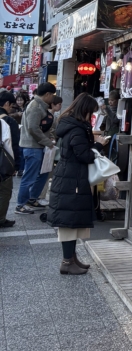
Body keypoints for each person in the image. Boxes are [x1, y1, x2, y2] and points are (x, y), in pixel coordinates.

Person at [48, 92, 109, 275]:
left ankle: (72, 259)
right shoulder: (77, 128)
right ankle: (67, 261)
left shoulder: (70, 124)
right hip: (72, 178)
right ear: (84, 110)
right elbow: (83, 155)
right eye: (91, 112)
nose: (92, 116)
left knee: (72, 220)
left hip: (69, 176)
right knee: (69, 221)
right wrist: (99, 145)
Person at [15, 83, 57, 214]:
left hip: (39, 146)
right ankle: (20, 204)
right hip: (33, 147)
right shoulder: (35, 106)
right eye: (52, 95)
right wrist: (47, 142)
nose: (53, 99)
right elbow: (33, 128)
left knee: (43, 174)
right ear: (47, 94)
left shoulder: (39, 105)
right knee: (30, 176)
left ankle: (32, 198)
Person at [0, 93, 18, 228]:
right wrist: (13, 165)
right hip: (2, 164)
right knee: (4, 191)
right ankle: (1, 219)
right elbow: (10, 145)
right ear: (6, 104)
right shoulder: (5, 122)